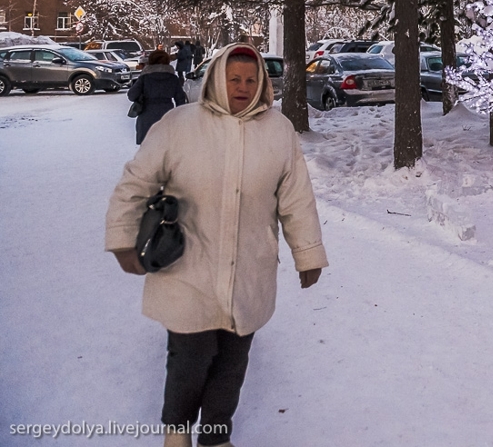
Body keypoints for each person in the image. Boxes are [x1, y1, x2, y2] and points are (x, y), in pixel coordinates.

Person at [105, 44, 328, 447]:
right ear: (216, 79)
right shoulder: (178, 124)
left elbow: (296, 198)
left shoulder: (278, 131)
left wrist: (307, 253)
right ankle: (177, 431)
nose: (243, 86)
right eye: (235, 78)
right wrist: (122, 238)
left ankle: (214, 435)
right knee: (190, 357)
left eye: (251, 79)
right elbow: (135, 184)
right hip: (187, 266)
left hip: (249, 267)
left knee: (232, 361)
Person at [128, 50, 187, 145]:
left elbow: (131, 95)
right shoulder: (173, 78)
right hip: (167, 114)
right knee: (166, 146)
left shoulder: (144, 77)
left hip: (147, 114)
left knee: (148, 148)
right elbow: (180, 99)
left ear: (151, 61)